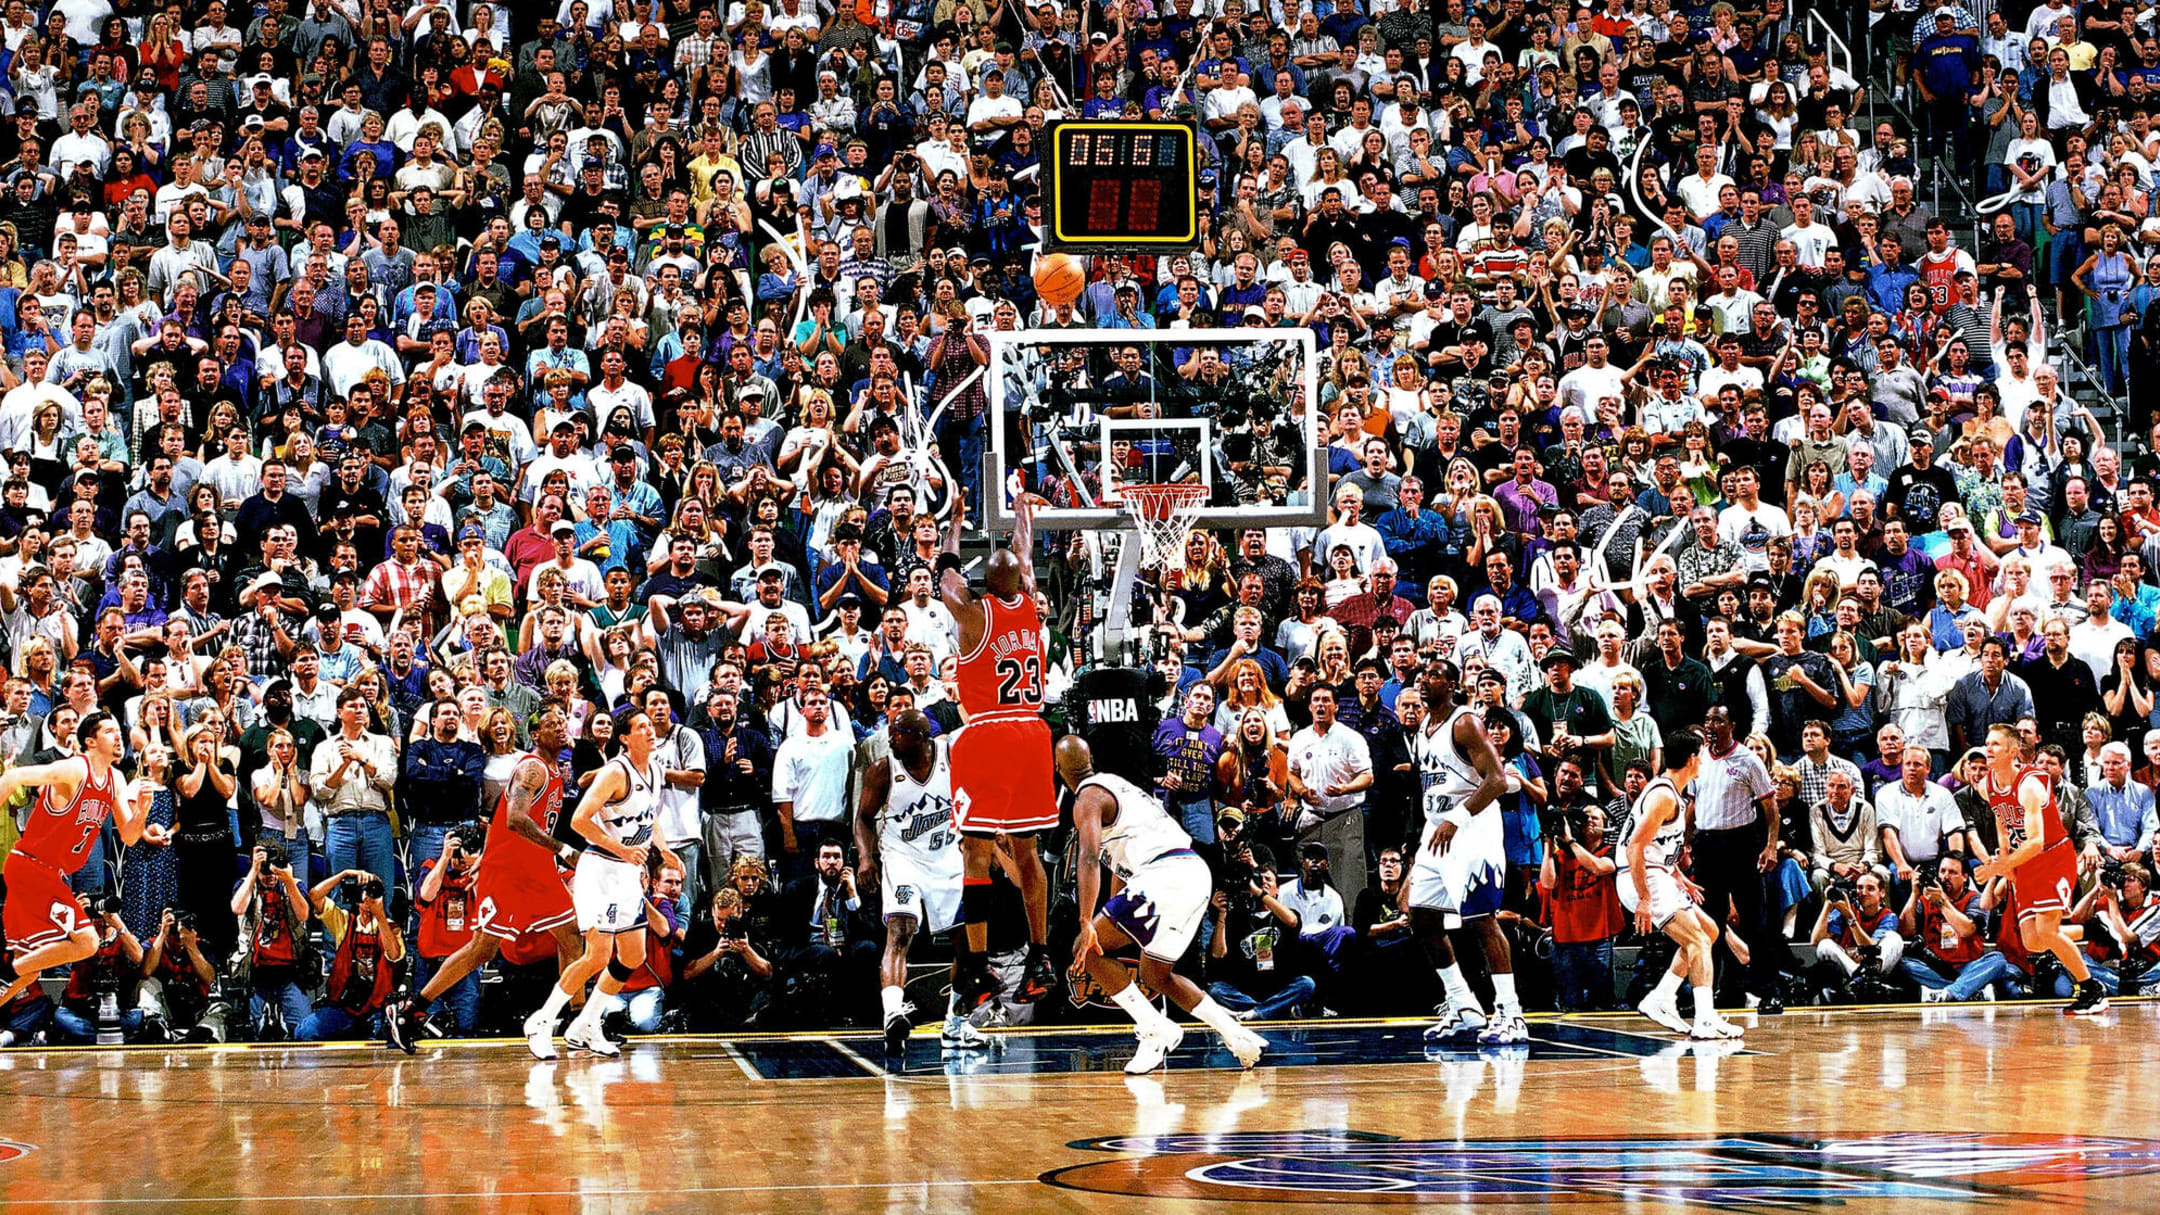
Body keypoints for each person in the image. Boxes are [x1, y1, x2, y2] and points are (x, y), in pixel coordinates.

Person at [1060, 735, 1267, 1073]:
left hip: (1165, 874)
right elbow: (1121, 871)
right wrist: (1111, 915)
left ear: (1059, 771)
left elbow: (1088, 858)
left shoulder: (1087, 798)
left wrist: (1086, 919)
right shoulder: (1117, 786)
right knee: (1156, 974)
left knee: (1087, 950)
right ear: (1091, 759)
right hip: (1193, 873)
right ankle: (1237, 1035)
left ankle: (1155, 1029)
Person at [384, 705, 585, 1052]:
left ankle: (580, 1020)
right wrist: (563, 849)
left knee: (572, 940)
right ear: (535, 735)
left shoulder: (554, 770)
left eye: (562, 722)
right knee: (482, 949)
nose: (560, 728)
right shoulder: (532, 768)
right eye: (551, 724)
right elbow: (515, 820)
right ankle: (410, 1012)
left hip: (537, 870)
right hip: (510, 871)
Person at [937, 494, 1057, 1008]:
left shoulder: (971, 614)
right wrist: (1023, 514)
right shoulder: (1029, 602)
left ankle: (981, 964)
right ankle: (1040, 954)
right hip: (1033, 733)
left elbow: (943, 575)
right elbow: (1024, 557)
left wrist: (956, 525)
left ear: (984, 584)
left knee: (977, 850)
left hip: (988, 733)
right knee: (1028, 853)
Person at [530, 706, 685, 1058]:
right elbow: (581, 821)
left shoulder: (656, 770)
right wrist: (621, 849)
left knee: (632, 954)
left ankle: (586, 1022)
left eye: (651, 725)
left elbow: (651, 819)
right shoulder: (615, 773)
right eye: (641, 726)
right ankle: (543, 1021)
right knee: (597, 955)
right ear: (624, 738)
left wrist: (664, 849)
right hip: (600, 870)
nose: (650, 730)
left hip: (628, 873)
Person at [0, 712, 165, 1008]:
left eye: (119, 731)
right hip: (31, 867)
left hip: (48, 873)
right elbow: (14, 777)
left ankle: (8, 976)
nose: (119, 736)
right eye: (109, 731)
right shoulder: (76, 769)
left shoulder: (114, 779)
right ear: (90, 741)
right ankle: (6, 971)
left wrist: (142, 809)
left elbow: (128, 835)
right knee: (87, 941)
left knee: (28, 969)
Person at [1406, 661, 1527, 1045]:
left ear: (1454, 683)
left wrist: (1456, 818)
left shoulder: (1465, 722)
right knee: (1421, 917)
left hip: (1471, 828)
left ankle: (1510, 1014)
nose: (1425, 680)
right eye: (1422, 675)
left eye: (1435, 675)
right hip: (1436, 828)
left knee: (1481, 920)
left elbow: (1498, 780)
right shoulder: (1424, 728)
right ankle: (1464, 1007)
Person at [856, 710, 979, 1053]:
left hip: (946, 858)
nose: (891, 739)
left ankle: (957, 1025)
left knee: (967, 944)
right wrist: (867, 858)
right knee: (901, 930)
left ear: (920, 738)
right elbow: (863, 819)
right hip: (902, 857)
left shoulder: (950, 756)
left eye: (898, 734)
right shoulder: (882, 771)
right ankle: (893, 1013)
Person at [1972, 722, 2110, 1013]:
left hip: (2052, 856)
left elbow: (2036, 841)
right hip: (2023, 862)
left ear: (2013, 751)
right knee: (2033, 942)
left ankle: (2091, 989)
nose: (1988, 748)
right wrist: (2006, 857)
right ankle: (2083, 931)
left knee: (2046, 932)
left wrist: (1999, 867)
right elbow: (2001, 819)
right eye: (1987, 743)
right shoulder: (1987, 786)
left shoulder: (2030, 785)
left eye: (1995, 744)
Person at [1624, 728, 1745, 1039]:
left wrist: (1678, 877)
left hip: (1657, 873)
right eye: (1701, 753)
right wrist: (1644, 898)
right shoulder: (1664, 796)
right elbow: (1635, 847)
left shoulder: (1671, 792)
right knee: (1698, 942)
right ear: (1692, 759)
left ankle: (1662, 998)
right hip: (1640, 877)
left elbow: (1657, 846)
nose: (1704, 759)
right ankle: (1705, 1018)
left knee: (1710, 931)